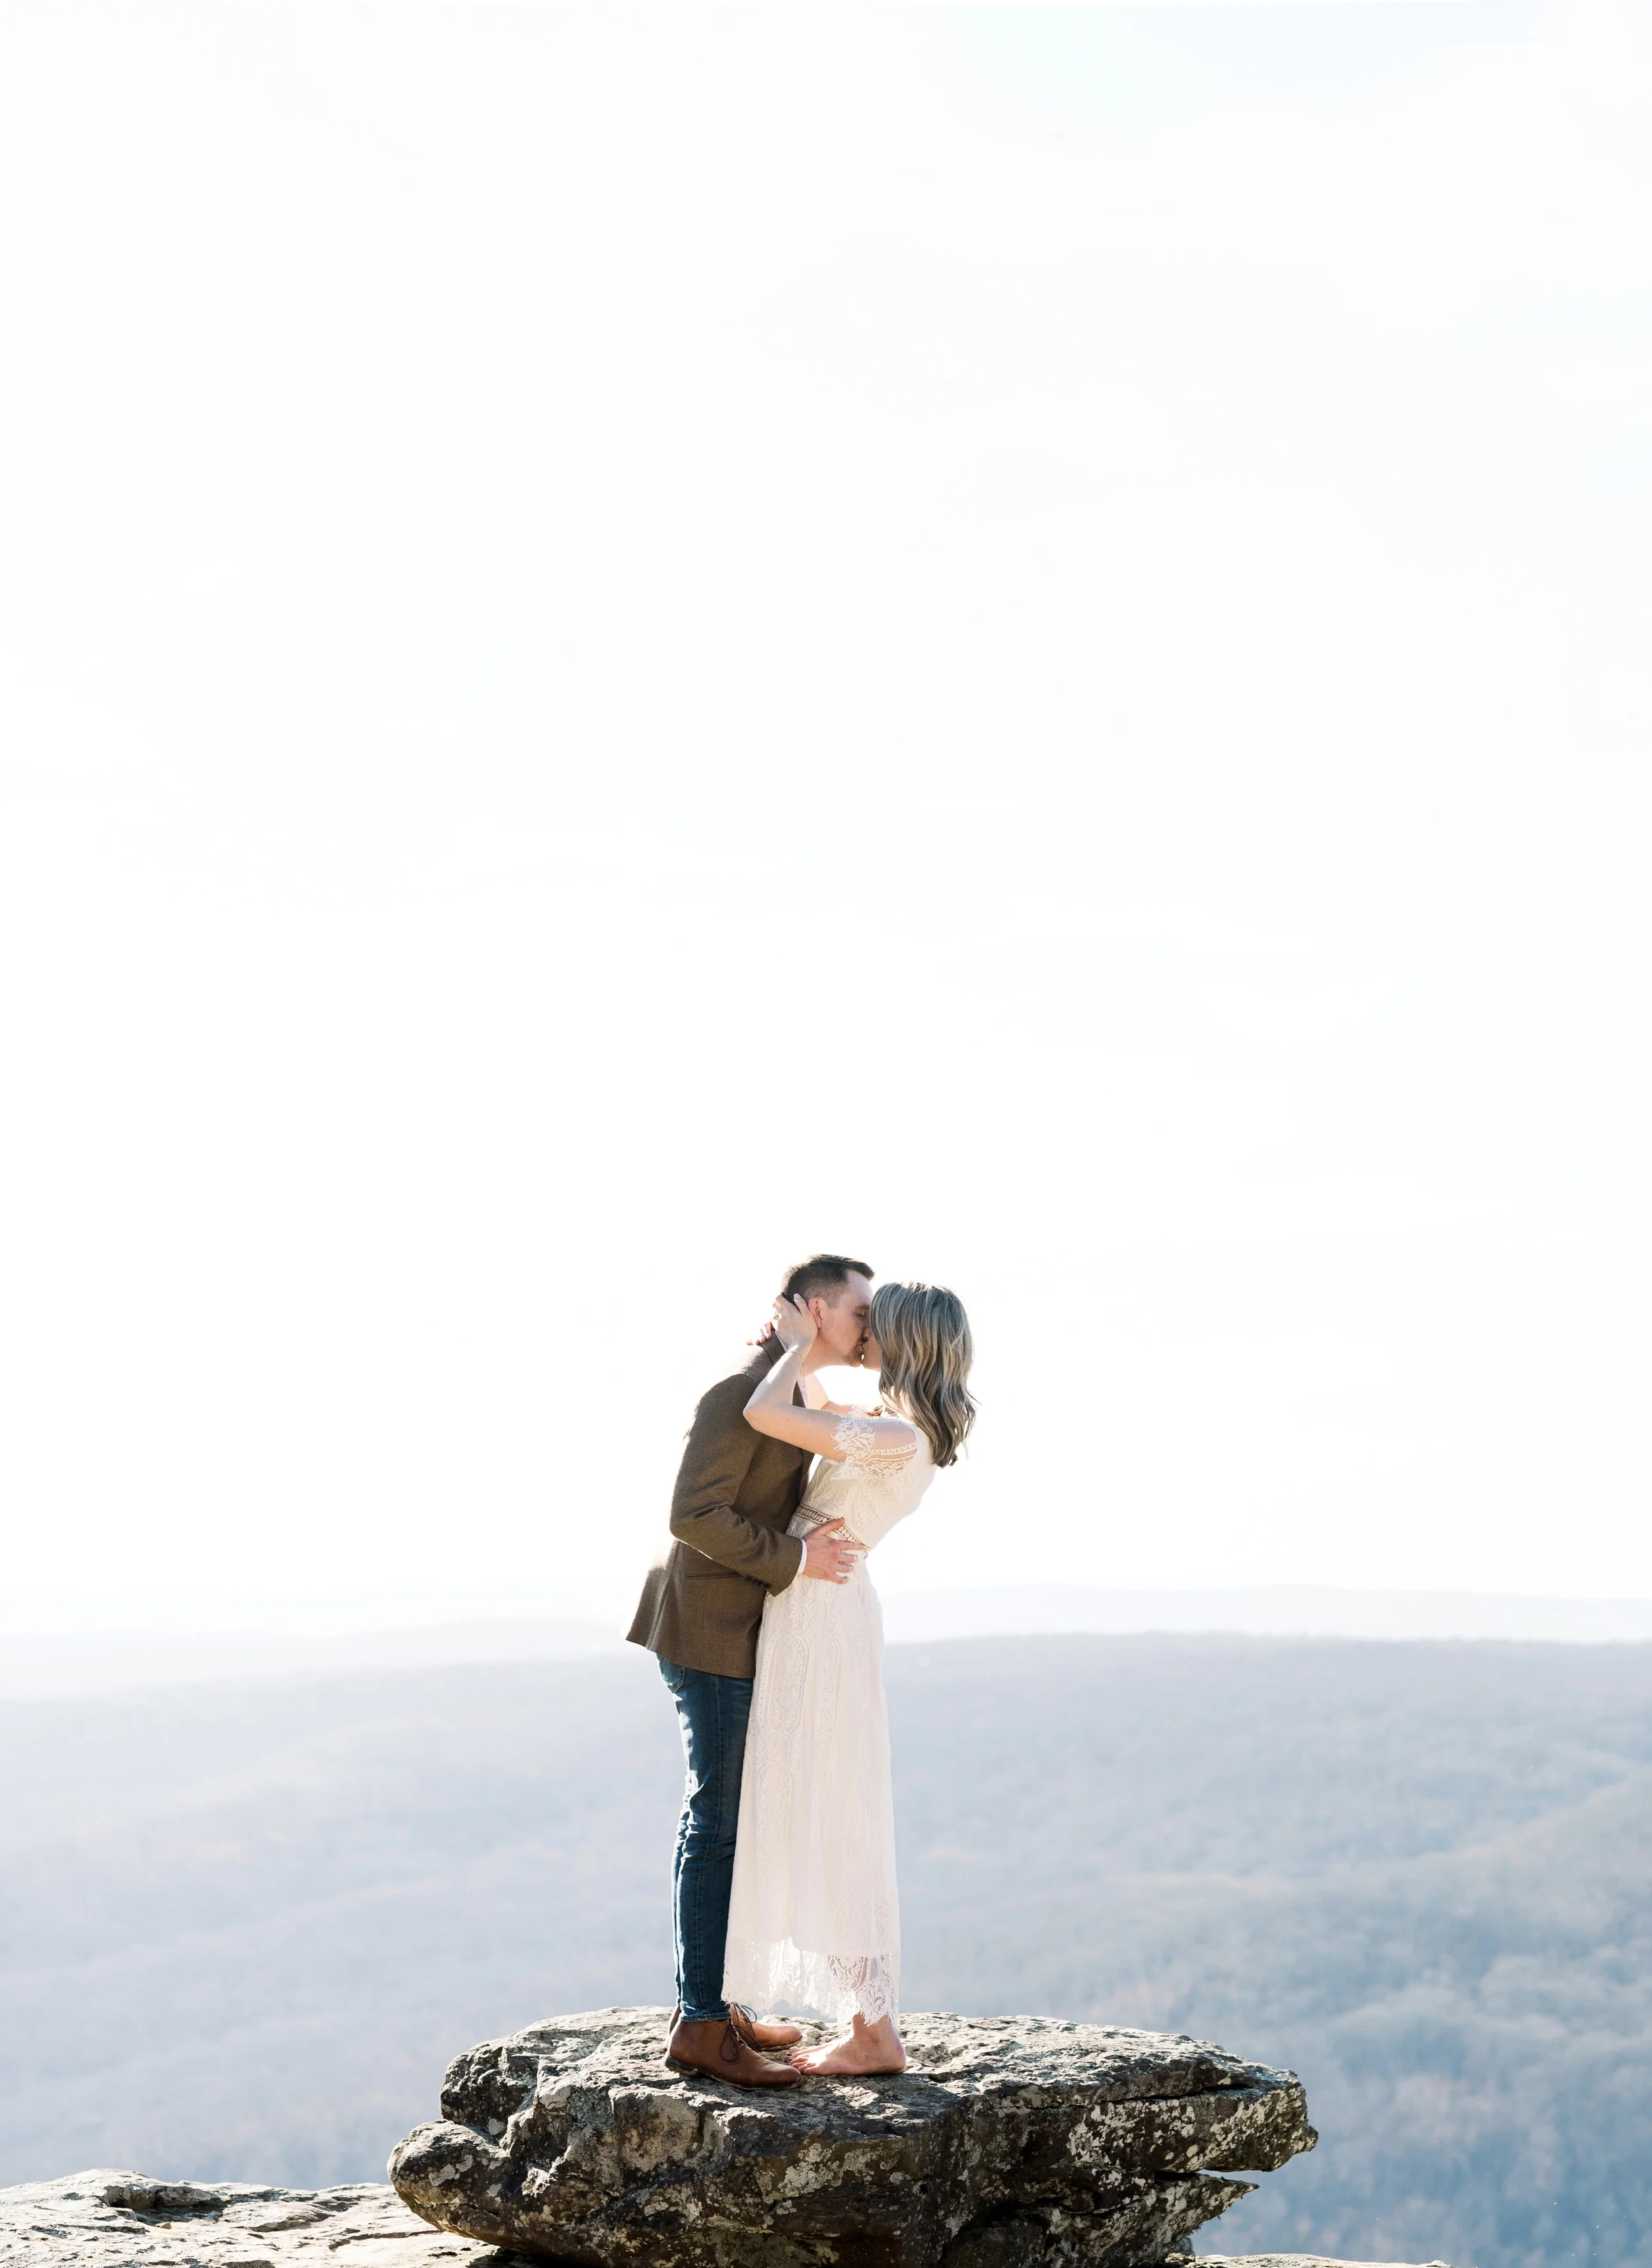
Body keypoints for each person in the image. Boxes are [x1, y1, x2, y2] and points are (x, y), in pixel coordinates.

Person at [627, 1254, 877, 2089]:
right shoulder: (740, 1394)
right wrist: (796, 1559)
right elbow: (692, 1515)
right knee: (720, 1820)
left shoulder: (792, 1392)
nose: (869, 1328)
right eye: (858, 1313)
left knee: (730, 1817)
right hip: (708, 1630)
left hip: (743, 1628)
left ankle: (717, 2005)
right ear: (809, 1309)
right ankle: (701, 2024)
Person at [724, 1278, 976, 2075]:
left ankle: (874, 2031)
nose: (862, 1330)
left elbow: (767, 1414)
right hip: (812, 1606)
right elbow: (800, 1401)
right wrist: (795, 1338)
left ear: (904, 1340)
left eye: (875, 1322)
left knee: (829, 1807)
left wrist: (799, 1343)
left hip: (821, 1618)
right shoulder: (887, 1425)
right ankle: (862, 2022)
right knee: (808, 1802)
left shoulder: (897, 1437)